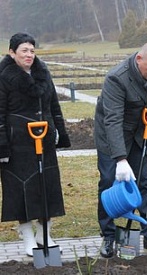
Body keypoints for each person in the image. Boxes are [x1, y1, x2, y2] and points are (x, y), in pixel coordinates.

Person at [94, 41, 147, 258]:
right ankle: (108, 235)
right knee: (109, 183)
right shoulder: (117, 78)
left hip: (138, 134)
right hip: (111, 137)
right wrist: (120, 159)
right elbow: (113, 120)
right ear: (139, 60)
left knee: (143, 182)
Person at [0, 32, 71, 256]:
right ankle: (28, 236)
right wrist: (2, 144)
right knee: (22, 188)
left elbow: (53, 105)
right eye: (24, 50)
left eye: (32, 50)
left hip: (44, 139)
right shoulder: (3, 77)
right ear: (12, 53)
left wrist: (59, 131)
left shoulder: (43, 73)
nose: (29, 54)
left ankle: (44, 233)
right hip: (17, 142)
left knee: (47, 186)